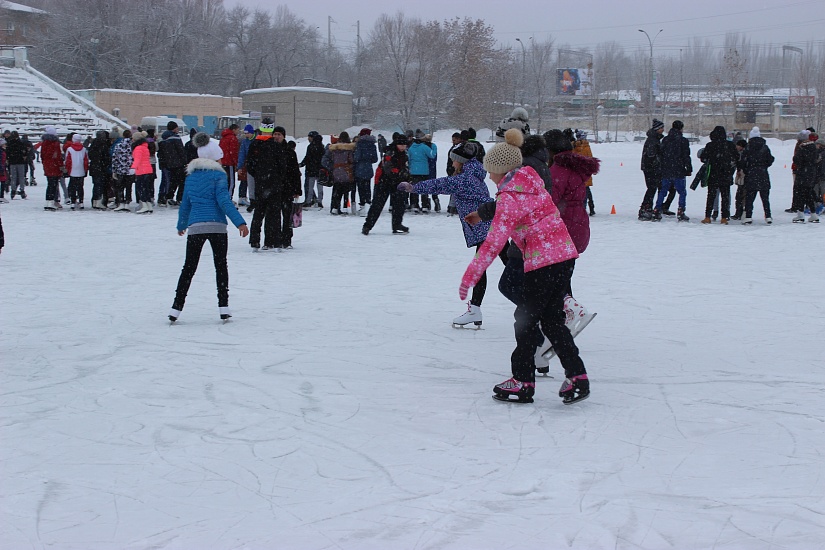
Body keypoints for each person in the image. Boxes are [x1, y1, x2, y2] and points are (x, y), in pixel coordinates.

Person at [459, 128, 588, 405]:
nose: (489, 176)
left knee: (525, 322)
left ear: (501, 170)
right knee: (552, 321)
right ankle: (577, 377)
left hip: (542, 263)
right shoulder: (530, 181)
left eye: (491, 171)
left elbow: (494, 242)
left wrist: (471, 276)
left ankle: (522, 381)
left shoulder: (509, 197)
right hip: (563, 257)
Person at [398, 140, 496, 326]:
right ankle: (477, 310)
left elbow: (439, 185)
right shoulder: (473, 174)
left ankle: (538, 305)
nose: (452, 164)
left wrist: (413, 188)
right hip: (488, 227)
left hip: (484, 228)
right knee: (499, 267)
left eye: (454, 160)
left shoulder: (463, 180)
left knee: (485, 269)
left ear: (461, 161)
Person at [169, 134, 249, 324]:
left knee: (188, 267)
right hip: (217, 228)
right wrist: (240, 222)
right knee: (220, 266)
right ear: (214, 158)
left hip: (196, 227)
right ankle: (224, 307)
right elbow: (223, 201)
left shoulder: (191, 177)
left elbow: (185, 204)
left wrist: (182, 224)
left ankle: (176, 308)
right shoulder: (219, 175)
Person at [246, 122, 301, 250]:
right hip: (273, 185)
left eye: (279, 134)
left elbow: (294, 172)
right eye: (275, 134)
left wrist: (296, 189)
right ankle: (270, 240)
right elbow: (252, 166)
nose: (277, 136)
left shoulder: (287, 151)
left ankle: (285, 240)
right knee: (270, 214)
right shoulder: (269, 146)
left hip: (284, 187)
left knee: (285, 214)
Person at [362, 134, 410, 235]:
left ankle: (397, 224)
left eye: (404, 145)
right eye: (401, 144)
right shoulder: (390, 152)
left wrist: (406, 175)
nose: (403, 146)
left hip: (397, 182)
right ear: (397, 144)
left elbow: (405, 167)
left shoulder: (404, 154)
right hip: (383, 182)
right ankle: (367, 226)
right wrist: (399, 172)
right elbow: (387, 168)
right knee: (377, 205)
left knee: (399, 204)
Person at [653, 120, 692, 222]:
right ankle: (681, 210)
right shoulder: (683, 141)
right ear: (681, 128)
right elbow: (686, 156)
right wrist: (689, 168)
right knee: (682, 192)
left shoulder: (665, 140)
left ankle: (657, 209)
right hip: (678, 170)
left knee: (663, 191)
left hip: (666, 170)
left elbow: (661, 154)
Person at [699, 126, 738, 224]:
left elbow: (703, 158)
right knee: (725, 196)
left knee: (711, 196)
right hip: (726, 174)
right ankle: (724, 217)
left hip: (713, 174)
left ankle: (707, 216)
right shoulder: (730, 145)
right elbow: (737, 157)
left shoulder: (710, 145)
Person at [741, 126, 774, 225]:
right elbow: (770, 160)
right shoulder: (765, 147)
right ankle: (768, 216)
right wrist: (764, 166)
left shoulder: (748, 147)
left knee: (750, 197)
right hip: (763, 173)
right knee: (765, 198)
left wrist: (747, 170)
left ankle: (748, 216)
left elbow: (743, 161)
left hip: (751, 174)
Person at [322, 131, 356, 215]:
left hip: (336, 172)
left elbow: (324, 160)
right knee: (346, 191)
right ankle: (345, 207)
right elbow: (352, 160)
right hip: (347, 173)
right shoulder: (350, 149)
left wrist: (332, 167)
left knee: (336, 190)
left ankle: (334, 207)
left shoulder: (333, 148)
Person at [792, 131, 820, 223]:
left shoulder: (803, 148)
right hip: (811, 173)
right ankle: (813, 214)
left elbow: (797, 159)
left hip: (803, 173)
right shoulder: (814, 147)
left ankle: (801, 214)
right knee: (808, 193)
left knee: (800, 193)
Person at [639, 119, 664, 220]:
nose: (663, 130)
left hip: (650, 167)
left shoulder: (654, 139)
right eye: (661, 128)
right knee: (652, 188)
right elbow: (651, 155)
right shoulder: (653, 140)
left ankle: (648, 207)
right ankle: (646, 208)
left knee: (652, 188)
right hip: (651, 168)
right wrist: (658, 163)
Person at [157, 121, 187, 206]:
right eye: (177, 128)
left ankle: (166, 197)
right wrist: (185, 162)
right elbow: (181, 151)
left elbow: (160, 153)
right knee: (181, 181)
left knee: (169, 181)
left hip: (167, 164)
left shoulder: (163, 138)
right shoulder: (176, 138)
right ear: (174, 128)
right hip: (178, 164)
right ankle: (179, 199)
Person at [407, 130, 436, 213]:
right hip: (424, 171)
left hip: (414, 171)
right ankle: (424, 206)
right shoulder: (424, 147)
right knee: (424, 188)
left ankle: (415, 205)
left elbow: (408, 159)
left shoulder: (411, 148)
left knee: (415, 188)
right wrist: (434, 147)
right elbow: (432, 155)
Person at [353, 128, 378, 216]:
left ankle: (362, 204)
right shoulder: (372, 145)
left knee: (360, 187)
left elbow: (356, 157)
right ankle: (368, 202)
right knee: (367, 186)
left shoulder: (359, 144)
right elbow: (375, 159)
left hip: (360, 168)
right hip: (368, 168)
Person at [299, 131, 325, 209]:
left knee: (309, 187)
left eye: (309, 137)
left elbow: (307, 158)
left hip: (311, 170)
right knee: (320, 187)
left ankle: (308, 201)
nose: (308, 138)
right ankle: (319, 201)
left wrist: (301, 164)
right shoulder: (322, 147)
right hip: (320, 170)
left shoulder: (310, 147)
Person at [573, 130, 596, 216]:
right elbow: (590, 159)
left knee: (583, 191)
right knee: (586, 191)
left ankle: (586, 207)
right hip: (586, 173)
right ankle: (589, 207)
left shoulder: (574, 146)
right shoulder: (586, 147)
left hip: (578, 173)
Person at [41, 126, 64, 211]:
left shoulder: (44, 143)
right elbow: (57, 156)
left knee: (49, 184)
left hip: (47, 165)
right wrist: (60, 165)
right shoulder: (55, 144)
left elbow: (42, 155)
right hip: (54, 166)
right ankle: (51, 202)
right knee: (53, 185)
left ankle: (47, 201)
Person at [131, 131, 154, 214]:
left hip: (141, 170)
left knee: (141, 188)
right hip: (148, 169)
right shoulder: (145, 147)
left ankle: (144, 205)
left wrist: (133, 168)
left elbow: (137, 159)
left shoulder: (138, 148)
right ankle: (149, 205)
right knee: (146, 188)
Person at [64, 134, 89, 209]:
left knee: (73, 187)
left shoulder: (70, 149)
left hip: (72, 170)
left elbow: (67, 160)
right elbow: (86, 160)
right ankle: (81, 202)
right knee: (80, 187)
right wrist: (85, 169)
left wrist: (67, 169)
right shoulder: (84, 149)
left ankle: (73, 201)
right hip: (81, 170)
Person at [236, 124, 255, 207]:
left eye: (247, 133)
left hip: (256, 164)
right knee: (244, 180)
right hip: (247, 164)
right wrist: (239, 166)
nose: (246, 135)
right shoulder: (245, 141)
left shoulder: (256, 140)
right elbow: (242, 154)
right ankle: (242, 197)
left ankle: (255, 198)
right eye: (245, 133)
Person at [219, 123, 240, 200]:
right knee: (231, 182)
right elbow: (234, 152)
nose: (238, 132)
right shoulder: (232, 138)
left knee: (224, 182)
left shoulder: (223, 138)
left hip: (222, 162)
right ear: (233, 130)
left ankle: (223, 198)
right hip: (229, 163)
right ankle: (228, 198)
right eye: (237, 130)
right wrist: (236, 163)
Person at [5, 131, 27, 200]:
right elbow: (25, 151)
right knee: (21, 176)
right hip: (20, 162)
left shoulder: (9, 143)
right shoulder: (21, 143)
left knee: (13, 177)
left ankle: (13, 190)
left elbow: (7, 152)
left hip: (12, 162)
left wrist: (8, 159)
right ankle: (22, 190)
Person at [731, 139, 748, 220]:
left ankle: (740, 213)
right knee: (741, 196)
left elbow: (740, 165)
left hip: (743, 178)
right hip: (743, 178)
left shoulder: (742, 155)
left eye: (738, 145)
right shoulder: (741, 154)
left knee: (740, 196)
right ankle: (741, 213)